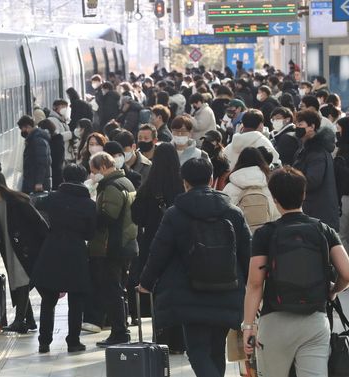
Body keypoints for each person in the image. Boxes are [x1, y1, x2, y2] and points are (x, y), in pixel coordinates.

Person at [138, 158, 251, 377]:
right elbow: (247, 253)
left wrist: (146, 282)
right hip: (227, 289)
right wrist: (252, 287)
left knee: (197, 350)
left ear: (185, 182)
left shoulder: (175, 213)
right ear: (212, 179)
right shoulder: (233, 212)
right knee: (216, 349)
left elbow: (159, 252)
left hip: (189, 293)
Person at [243, 166, 349, 377]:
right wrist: (333, 290)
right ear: (303, 194)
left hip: (275, 322)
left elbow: (255, 284)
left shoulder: (266, 234)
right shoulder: (323, 230)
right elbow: (347, 273)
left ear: (274, 199)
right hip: (315, 322)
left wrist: (248, 326)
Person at [31, 164, 97, 353]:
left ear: (64, 178)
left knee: (48, 299)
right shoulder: (89, 204)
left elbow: (37, 210)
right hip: (76, 252)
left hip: (52, 250)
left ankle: (44, 342)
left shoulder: (52, 198)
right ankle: (73, 341)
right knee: (76, 301)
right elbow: (90, 234)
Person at [131, 143, 185, 353]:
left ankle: (162, 337)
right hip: (179, 244)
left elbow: (136, 216)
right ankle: (180, 340)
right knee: (179, 290)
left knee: (159, 292)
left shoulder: (149, 186)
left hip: (153, 241)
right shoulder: (181, 185)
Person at [0, 170, 49, 334]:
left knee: (21, 282)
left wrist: (47, 245)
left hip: (25, 249)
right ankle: (30, 320)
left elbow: (38, 223)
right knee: (17, 282)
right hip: (8, 250)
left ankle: (20, 320)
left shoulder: (17, 201)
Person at [87, 152, 138, 347]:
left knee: (113, 289)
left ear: (102, 168)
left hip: (113, 245)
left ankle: (119, 332)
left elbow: (108, 217)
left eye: (93, 172)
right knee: (118, 288)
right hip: (126, 243)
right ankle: (120, 329)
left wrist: (92, 211)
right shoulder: (125, 182)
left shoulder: (112, 186)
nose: (92, 176)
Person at [293, 109, 340, 230]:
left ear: (312, 126)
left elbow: (312, 181)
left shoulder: (317, 152)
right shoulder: (306, 150)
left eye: (300, 124)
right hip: (314, 211)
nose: (297, 127)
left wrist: (290, 182)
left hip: (317, 212)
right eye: (296, 124)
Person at [223, 147, 280, 232]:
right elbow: (277, 214)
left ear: (240, 161)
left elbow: (225, 215)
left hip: (239, 238)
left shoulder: (230, 186)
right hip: (266, 236)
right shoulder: (270, 184)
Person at [17, 115, 52, 194]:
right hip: (33, 180)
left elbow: (42, 162)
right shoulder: (35, 138)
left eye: (22, 129)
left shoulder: (37, 140)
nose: (22, 132)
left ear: (28, 127)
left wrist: (39, 182)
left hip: (36, 183)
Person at [38, 119, 64, 190]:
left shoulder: (52, 142)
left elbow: (54, 160)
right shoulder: (58, 140)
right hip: (56, 174)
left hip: (54, 175)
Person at [336, 117, 349, 250]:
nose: (337, 133)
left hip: (344, 197)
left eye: (339, 129)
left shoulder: (342, 152)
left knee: (342, 235)